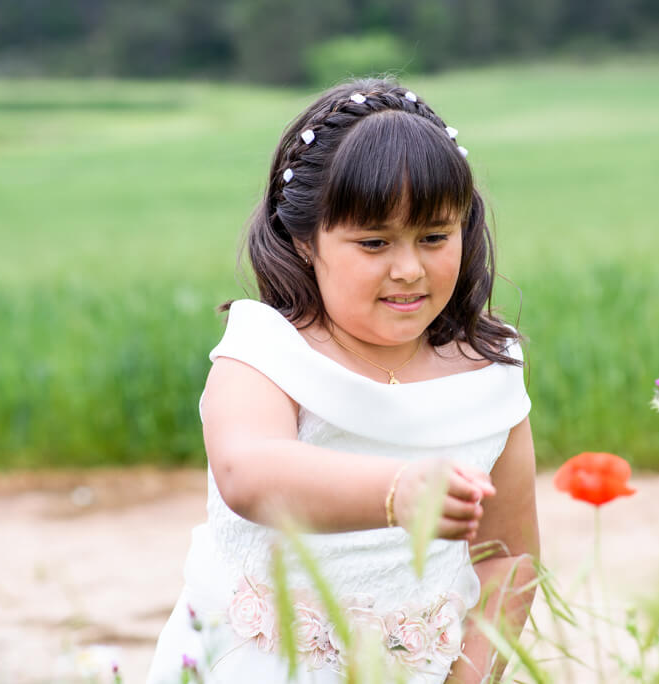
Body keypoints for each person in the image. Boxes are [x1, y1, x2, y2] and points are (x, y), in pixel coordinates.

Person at [147, 78, 539, 684]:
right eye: (374, 242)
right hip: (256, 665)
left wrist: (467, 677)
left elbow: (509, 557)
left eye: (435, 237)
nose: (408, 269)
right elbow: (248, 472)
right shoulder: (266, 349)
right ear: (304, 240)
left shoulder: (489, 369)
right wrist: (397, 493)